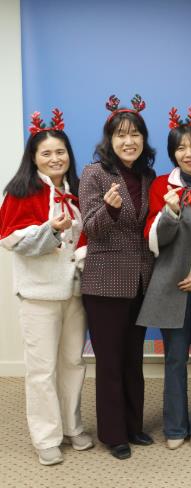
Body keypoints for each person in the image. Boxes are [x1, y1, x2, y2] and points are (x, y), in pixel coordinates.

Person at [0, 110, 93, 465]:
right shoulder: (20, 192)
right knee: (42, 370)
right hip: (38, 294)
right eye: (47, 153)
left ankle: (72, 426)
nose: (55, 158)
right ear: (34, 157)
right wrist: (50, 230)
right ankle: (46, 436)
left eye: (61, 152)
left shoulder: (78, 191)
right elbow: (12, 241)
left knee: (73, 362)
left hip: (74, 292)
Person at [137, 107, 191, 450]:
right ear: (173, 153)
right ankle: (174, 427)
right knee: (174, 360)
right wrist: (170, 211)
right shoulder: (161, 185)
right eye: (180, 148)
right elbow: (154, 239)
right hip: (169, 286)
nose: (189, 153)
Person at [78, 95, 156, 460]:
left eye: (135, 134)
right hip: (104, 282)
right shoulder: (94, 174)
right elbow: (90, 229)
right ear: (109, 140)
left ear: (143, 139)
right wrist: (108, 209)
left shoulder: (148, 176)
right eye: (121, 135)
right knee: (109, 361)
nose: (129, 141)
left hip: (141, 280)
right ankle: (114, 434)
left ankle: (134, 425)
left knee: (133, 359)